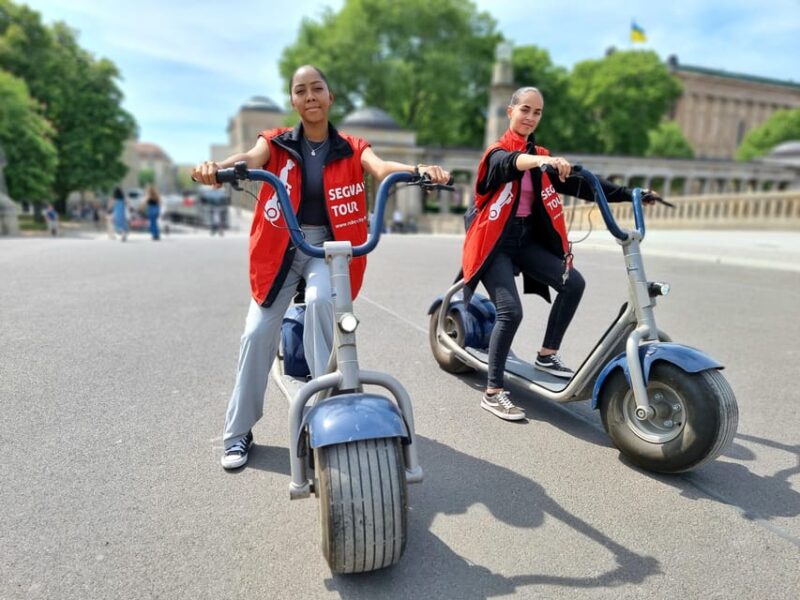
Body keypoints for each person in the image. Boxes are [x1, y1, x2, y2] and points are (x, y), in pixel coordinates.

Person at [192, 65, 450, 469]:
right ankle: (238, 431)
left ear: (330, 97)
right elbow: (249, 158)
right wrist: (218, 166)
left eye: (317, 88)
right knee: (257, 332)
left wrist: (420, 171)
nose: (310, 96)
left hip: (330, 246)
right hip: (281, 242)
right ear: (293, 101)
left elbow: (380, 169)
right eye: (301, 91)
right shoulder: (276, 142)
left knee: (321, 304)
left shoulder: (351, 145)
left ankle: (325, 414)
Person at [461, 86, 661, 422]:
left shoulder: (542, 157)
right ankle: (493, 392)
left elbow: (584, 185)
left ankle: (546, 355)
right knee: (510, 311)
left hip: (525, 242)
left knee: (574, 283)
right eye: (525, 109)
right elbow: (512, 163)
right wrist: (543, 160)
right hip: (493, 244)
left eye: (537, 113)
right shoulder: (496, 154)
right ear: (510, 112)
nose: (530, 117)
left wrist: (633, 194)